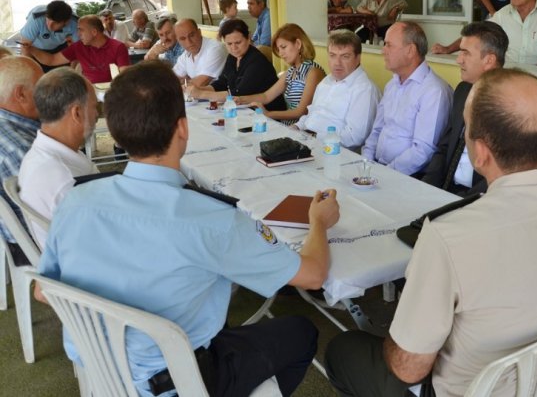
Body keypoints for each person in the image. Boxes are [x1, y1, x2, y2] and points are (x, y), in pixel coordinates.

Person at [35, 61, 340, 397]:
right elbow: (313, 276)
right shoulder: (211, 219)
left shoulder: (76, 201)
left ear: (117, 134)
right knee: (300, 331)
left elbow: (43, 290)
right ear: (183, 128)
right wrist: (318, 223)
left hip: (101, 367)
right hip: (180, 382)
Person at [326, 68, 537, 397]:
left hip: (471, 390)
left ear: (479, 153)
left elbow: (408, 368)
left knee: (343, 350)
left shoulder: (450, 235)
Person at [422, 21, 508, 196]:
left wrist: (459, 204)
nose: (458, 59)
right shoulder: (463, 90)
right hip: (445, 190)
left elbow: (505, 172)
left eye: (465, 53)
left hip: (481, 198)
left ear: (489, 60)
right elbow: (445, 146)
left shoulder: (509, 105)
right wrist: (426, 187)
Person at [18, 68, 98, 250]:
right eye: (95, 107)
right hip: (78, 270)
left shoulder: (41, 155)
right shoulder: (66, 179)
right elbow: (94, 245)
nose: (96, 115)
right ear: (77, 113)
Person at [361, 21, 452, 176]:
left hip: (409, 177)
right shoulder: (393, 84)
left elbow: (423, 151)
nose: (383, 51)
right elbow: (376, 131)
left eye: (389, 45)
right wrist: (366, 164)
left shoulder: (434, 91)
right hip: (376, 168)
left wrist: (384, 174)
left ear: (410, 50)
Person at [295, 30, 380, 150]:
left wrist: (312, 136)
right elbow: (312, 114)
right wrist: (297, 127)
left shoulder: (364, 89)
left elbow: (354, 138)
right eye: (332, 55)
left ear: (358, 58)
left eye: (345, 56)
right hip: (306, 142)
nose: (337, 63)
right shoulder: (327, 81)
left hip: (334, 152)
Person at [187, 19, 286, 111]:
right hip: (244, 110)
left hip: (266, 113)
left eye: (238, 42)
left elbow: (237, 94)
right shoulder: (232, 57)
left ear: (248, 38)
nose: (234, 47)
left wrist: (201, 94)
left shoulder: (257, 62)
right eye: (229, 44)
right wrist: (196, 89)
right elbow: (222, 83)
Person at [0, 56, 43, 266]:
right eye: (41, 86)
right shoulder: (19, 147)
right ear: (21, 94)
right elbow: (48, 218)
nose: (47, 94)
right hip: (31, 244)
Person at [239, 23, 325, 125]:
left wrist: (268, 114)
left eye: (283, 47)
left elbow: (302, 111)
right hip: (288, 127)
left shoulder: (313, 72)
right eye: (278, 50)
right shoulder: (290, 72)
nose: (281, 54)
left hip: (304, 130)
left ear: (298, 44)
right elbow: (266, 96)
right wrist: (240, 99)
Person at [21, 15, 130, 84]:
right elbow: (52, 60)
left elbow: (125, 76)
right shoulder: (79, 47)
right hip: (88, 94)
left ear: (94, 32)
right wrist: (31, 49)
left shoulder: (118, 47)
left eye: (81, 30)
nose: (77, 34)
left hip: (111, 92)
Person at [19, 0, 79, 72]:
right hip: (35, 49)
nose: (49, 25)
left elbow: (76, 51)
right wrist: (29, 70)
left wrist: (73, 71)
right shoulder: (36, 19)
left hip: (60, 47)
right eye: (48, 19)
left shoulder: (75, 23)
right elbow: (25, 47)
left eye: (55, 22)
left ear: (66, 21)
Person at [172, 18, 227, 88]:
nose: (189, 42)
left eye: (191, 35)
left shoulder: (215, 48)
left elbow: (201, 83)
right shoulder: (186, 55)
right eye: (183, 39)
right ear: (178, 41)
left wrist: (185, 82)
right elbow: (172, 79)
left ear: (199, 32)